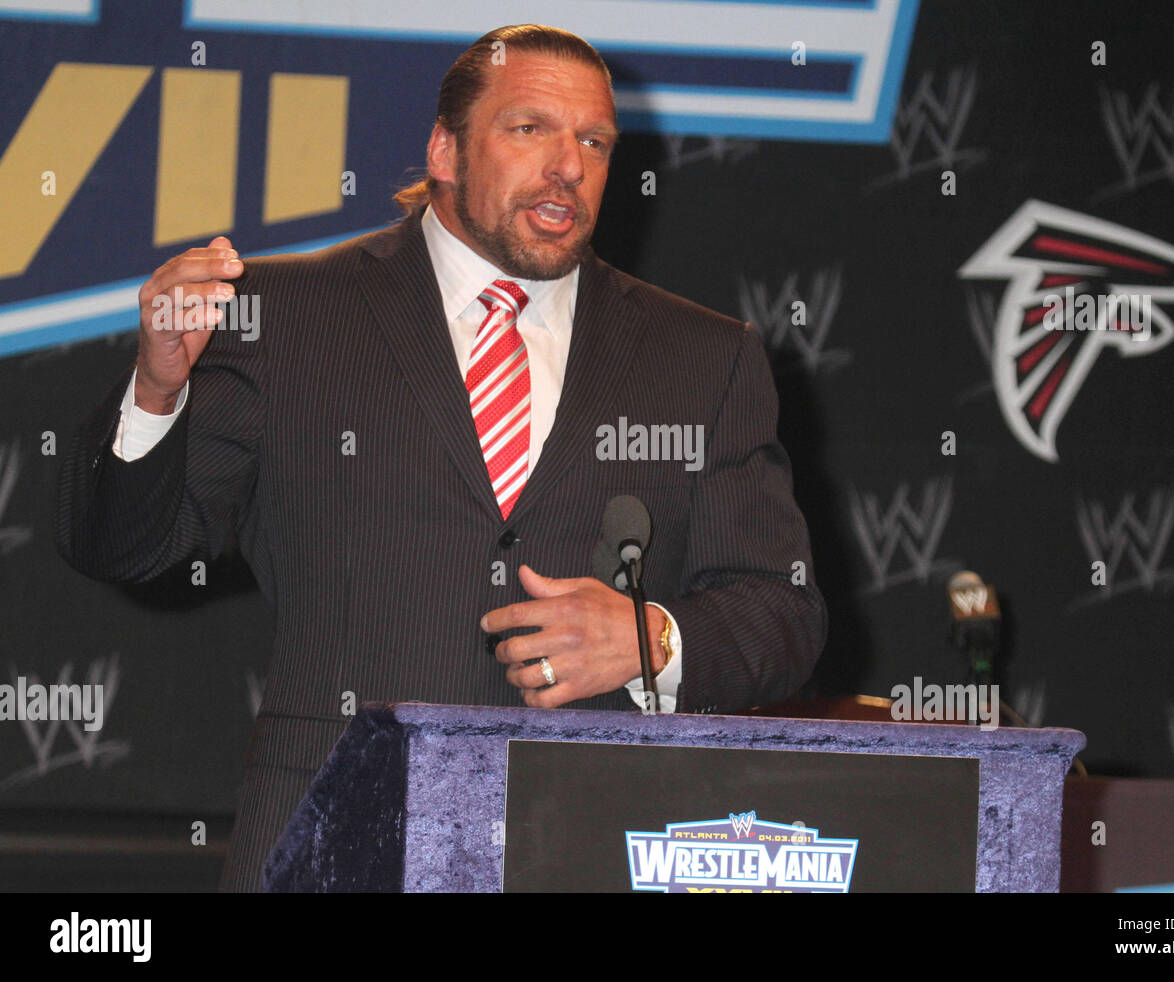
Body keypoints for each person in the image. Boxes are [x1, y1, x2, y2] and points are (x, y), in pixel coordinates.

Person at [56, 24, 826, 891]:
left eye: (595, 141)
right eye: (530, 129)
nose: (569, 165)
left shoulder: (703, 358)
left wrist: (651, 638)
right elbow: (126, 547)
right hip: (338, 845)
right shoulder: (290, 315)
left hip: (594, 848)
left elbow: (785, 612)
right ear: (445, 150)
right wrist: (157, 389)